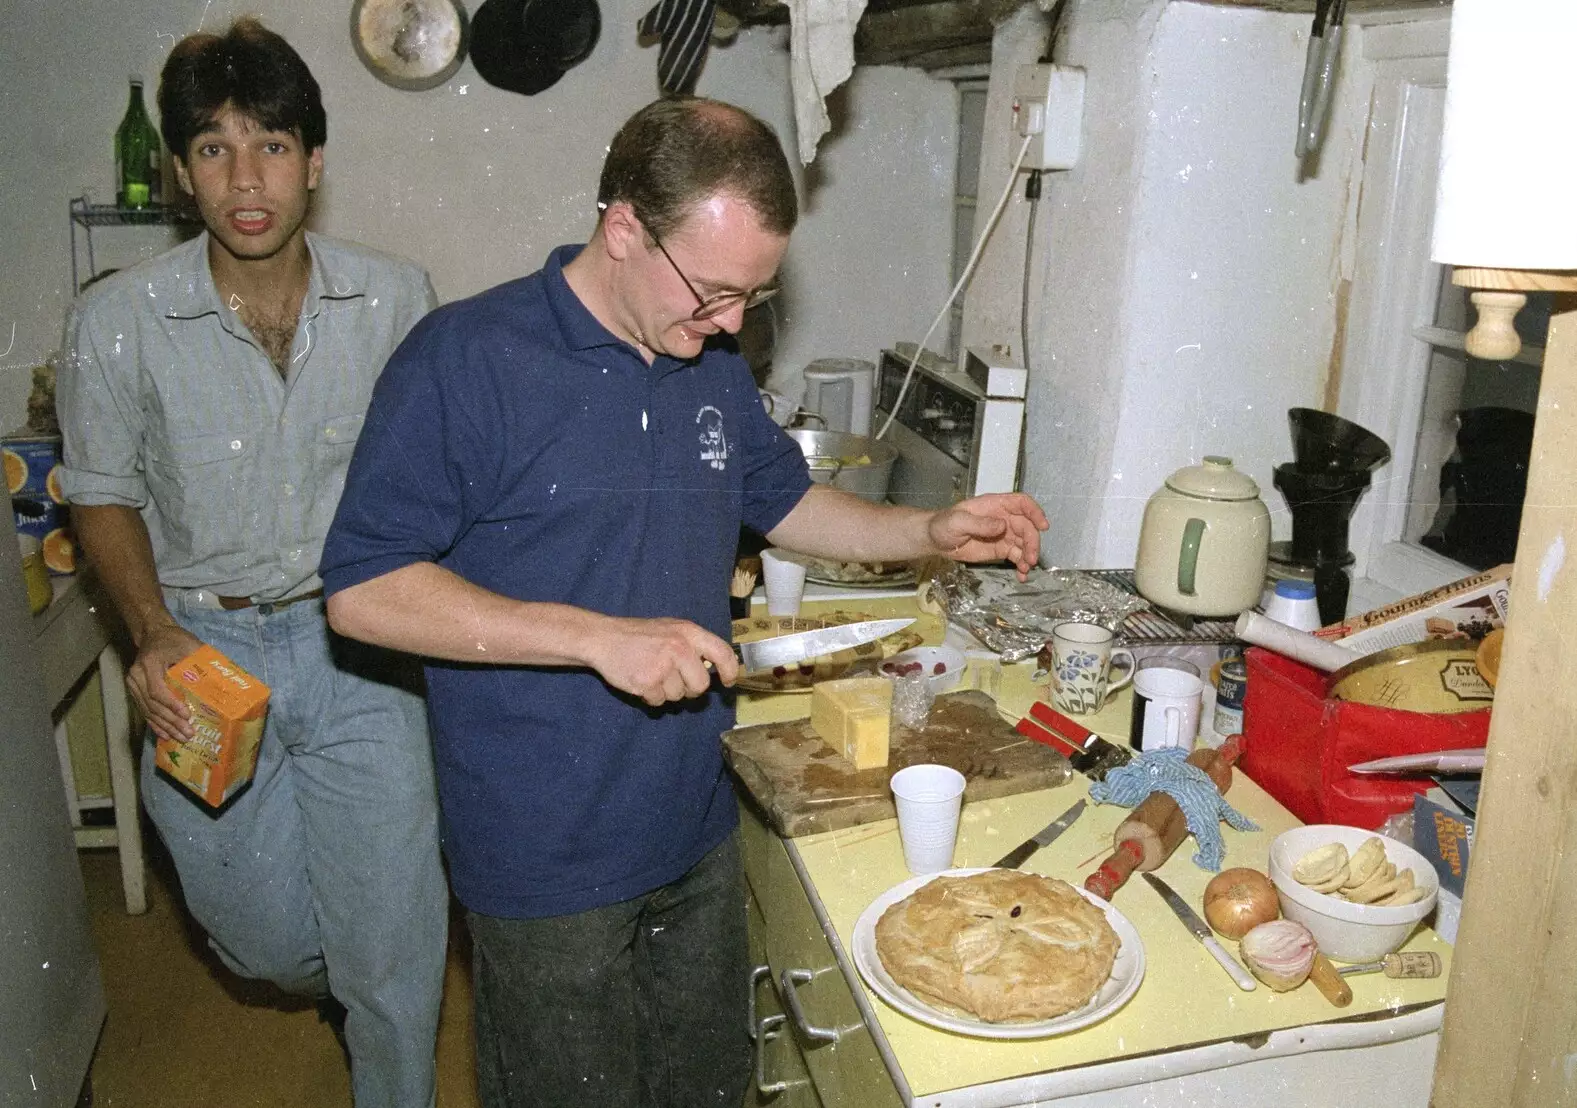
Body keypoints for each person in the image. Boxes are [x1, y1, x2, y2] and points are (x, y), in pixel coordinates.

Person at [317, 97, 1048, 1108]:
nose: (734, 323)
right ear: (624, 227)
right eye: (714, 290)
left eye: (752, 294)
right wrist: (593, 640)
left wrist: (922, 533)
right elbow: (361, 590)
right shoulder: (466, 358)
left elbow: (784, 499)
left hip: (695, 823)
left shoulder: (706, 361)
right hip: (545, 853)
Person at [56, 20, 447, 1108]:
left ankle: (383, 1020)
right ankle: (353, 978)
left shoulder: (397, 299)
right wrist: (153, 634)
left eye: (271, 144)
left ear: (313, 164)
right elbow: (100, 493)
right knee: (262, 942)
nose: (247, 176)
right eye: (215, 148)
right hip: (202, 656)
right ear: (181, 173)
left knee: (396, 957)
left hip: (366, 652)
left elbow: (446, 475)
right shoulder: (116, 322)